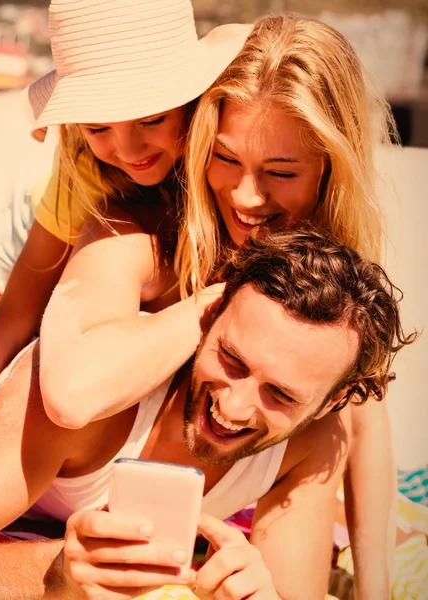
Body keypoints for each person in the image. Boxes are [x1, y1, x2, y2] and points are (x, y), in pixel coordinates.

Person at [34, 14, 399, 598]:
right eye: (224, 158)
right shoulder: (149, 220)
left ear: (329, 168)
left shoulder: (327, 268)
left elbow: (364, 404)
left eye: (281, 172)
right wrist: (227, 293)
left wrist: (375, 585)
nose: (246, 197)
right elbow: (71, 390)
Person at [0, 228, 416, 600]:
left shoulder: (314, 441)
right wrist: (58, 575)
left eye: (281, 394)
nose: (231, 405)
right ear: (208, 317)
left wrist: (262, 592)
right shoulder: (94, 403)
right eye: (230, 358)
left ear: (332, 403)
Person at [0, 0, 251, 506]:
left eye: (152, 118)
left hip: (102, 251)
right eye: (99, 127)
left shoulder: (225, 157)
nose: (128, 146)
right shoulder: (81, 166)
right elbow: (12, 321)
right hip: (41, 223)